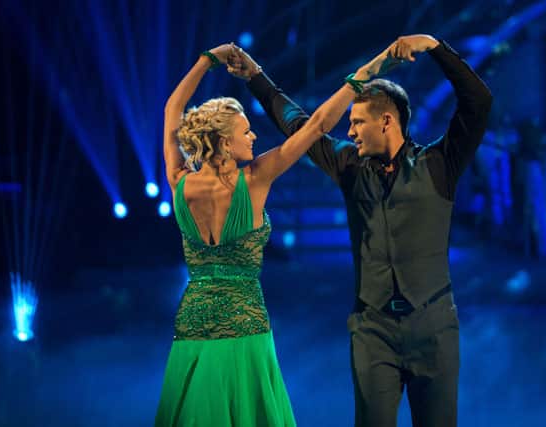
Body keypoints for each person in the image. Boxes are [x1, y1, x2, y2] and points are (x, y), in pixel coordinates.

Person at [230, 34, 493, 426]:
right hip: (373, 331)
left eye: (357, 123)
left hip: (434, 328)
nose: (349, 131)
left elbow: (478, 102)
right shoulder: (348, 165)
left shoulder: (440, 163)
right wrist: (256, 76)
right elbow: (299, 125)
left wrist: (433, 46)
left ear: (386, 121)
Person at [155, 42, 394, 426]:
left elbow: (172, 110)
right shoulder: (255, 179)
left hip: (192, 326)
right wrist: (362, 77)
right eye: (246, 132)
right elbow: (317, 126)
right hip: (245, 325)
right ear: (224, 142)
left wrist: (206, 60)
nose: (253, 137)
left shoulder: (178, 182)